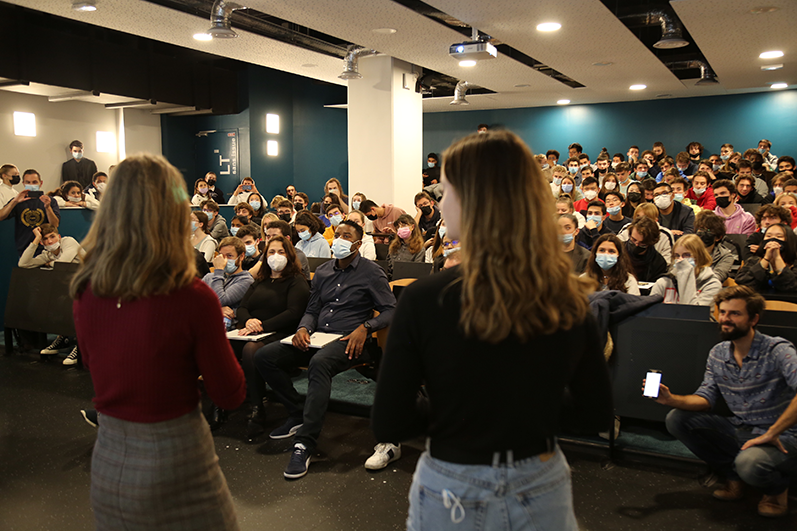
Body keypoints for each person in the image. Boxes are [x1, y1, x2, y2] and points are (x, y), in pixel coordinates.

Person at [372, 130, 612, 531]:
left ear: (472, 201)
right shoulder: (567, 296)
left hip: (453, 482)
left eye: (446, 190)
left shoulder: (426, 298)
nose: (442, 202)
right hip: (540, 481)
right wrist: (521, 412)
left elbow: (390, 421)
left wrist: (459, 412)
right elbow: (594, 414)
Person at [70, 153, 245, 530]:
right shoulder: (192, 296)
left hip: (109, 461)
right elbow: (230, 393)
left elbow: (92, 363)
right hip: (176, 458)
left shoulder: (86, 290)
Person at [254, 220, 396, 479]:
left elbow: (391, 310)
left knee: (319, 363)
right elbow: (312, 308)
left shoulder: (371, 272)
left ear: (357, 243)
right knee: (264, 356)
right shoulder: (323, 272)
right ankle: (297, 411)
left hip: (349, 341)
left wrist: (366, 327)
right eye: (337, 234)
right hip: (317, 336)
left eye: (347, 235)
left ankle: (305, 443)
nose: (339, 239)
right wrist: (304, 328)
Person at [653, 286, 797, 518]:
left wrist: (773, 432)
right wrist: (671, 399)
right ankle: (734, 477)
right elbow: (705, 399)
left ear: (754, 319)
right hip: (743, 428)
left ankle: (776, 490)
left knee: (750, 463)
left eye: (734, 314)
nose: (725, 319)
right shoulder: (718, 353)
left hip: (784, 435)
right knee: (677, 419)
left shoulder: (778, 349)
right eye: (723, 312)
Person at [233, 235, 311, 440]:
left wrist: (261, 326)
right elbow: (242, 307)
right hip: (253, 331)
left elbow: (293, 313)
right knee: (221, 345)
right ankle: (220, 404)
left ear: (289, 255)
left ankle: (257, 407)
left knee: (252, 351)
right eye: (271, 252)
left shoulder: (296, 281)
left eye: (281, 252)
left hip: (282, 332)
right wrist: (249, 321)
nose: (275, 256)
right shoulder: (260, 281)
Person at [0, 169, 61, 255]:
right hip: (24, 246)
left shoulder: (50, 201)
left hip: (46, 247)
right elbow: (1, 216)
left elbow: (55, 225)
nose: (31, 185)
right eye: (28, 182)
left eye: (34, 182)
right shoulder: (18, 201)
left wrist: (48, 207)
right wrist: (14, 201)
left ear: (41, 183)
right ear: (23, 184)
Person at [649, 235, 721, 305]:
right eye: (677, 256)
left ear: (699, 256)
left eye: (686, 255)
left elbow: (692, 313)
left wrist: (686, 274)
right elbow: (650, 312)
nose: (680, 260)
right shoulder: (664, 282)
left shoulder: (712, 284)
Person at [202, 236, 254, 329]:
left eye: (229, 256)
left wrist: (218, 270)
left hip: (224, 328)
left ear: (241, 256)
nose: (225, 261)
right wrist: (216, 310)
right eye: (222, 256)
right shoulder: (209, 277)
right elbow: (192, 303)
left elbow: (220, 300)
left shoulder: (246, 280)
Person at [735, 224, 797, 293]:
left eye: (779, 236)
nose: (772, 240)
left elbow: (792, 286)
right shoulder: (753, 260)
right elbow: (743, 283)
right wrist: (766, 259)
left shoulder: (794, 262)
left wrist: (777, 257)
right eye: (768, 236)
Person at [694, 211, 736, 283]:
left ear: (718, 237)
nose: (704, 232)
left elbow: (717, 277)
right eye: (701, 229)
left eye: (709, 230)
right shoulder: (686, 251)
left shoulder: (725, 256)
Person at [625, 216, 668, 283]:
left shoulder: (659, 262)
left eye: (642, 243)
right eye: (633, 240)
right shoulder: (618, 252)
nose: (636, 245)